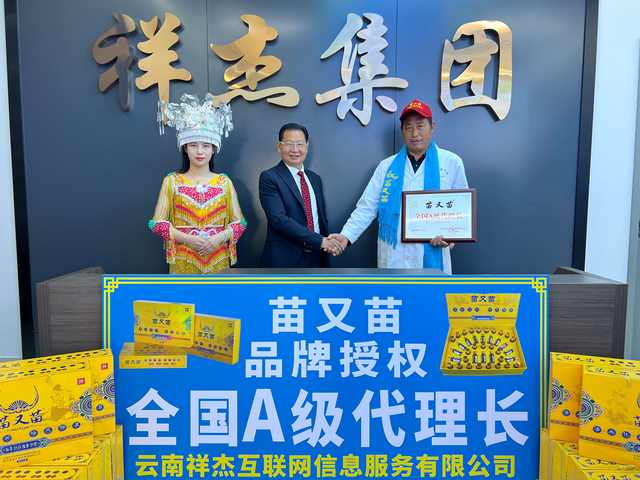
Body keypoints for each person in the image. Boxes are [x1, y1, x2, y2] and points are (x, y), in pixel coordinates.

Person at [331, 99, 468, 273]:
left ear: (432, 127)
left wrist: (451, 237)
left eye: (420, 126)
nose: (415, 133)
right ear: (402, 130)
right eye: (408, 127)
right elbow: (367, 208)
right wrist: (346, 236)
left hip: (433, 253)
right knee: (394, 289)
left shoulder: (451, 162)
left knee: (430, 290)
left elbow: (461, 211)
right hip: (394, 254)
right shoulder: (386, 167)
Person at [148, 94, 246, 273]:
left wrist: (218, 239)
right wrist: (188, 239)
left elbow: (240, 223)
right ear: (185, 148)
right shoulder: (172, 181)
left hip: (218, 259)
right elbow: (156, 223)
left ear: (214, 149)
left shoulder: (224, 182)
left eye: (206, 146)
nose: (200, 151)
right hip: (183, 260)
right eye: (193, 145)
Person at [259, 123, 341, 267]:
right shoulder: (269, 177)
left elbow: (320, 219)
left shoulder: (315, 179)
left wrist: (326, 243)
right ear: (279, 146)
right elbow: (279, 220)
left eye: (300, 144)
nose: (295, 149)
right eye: (289, 144)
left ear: (307, 147)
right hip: (285, 260)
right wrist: (320, 241)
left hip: (318, 256)